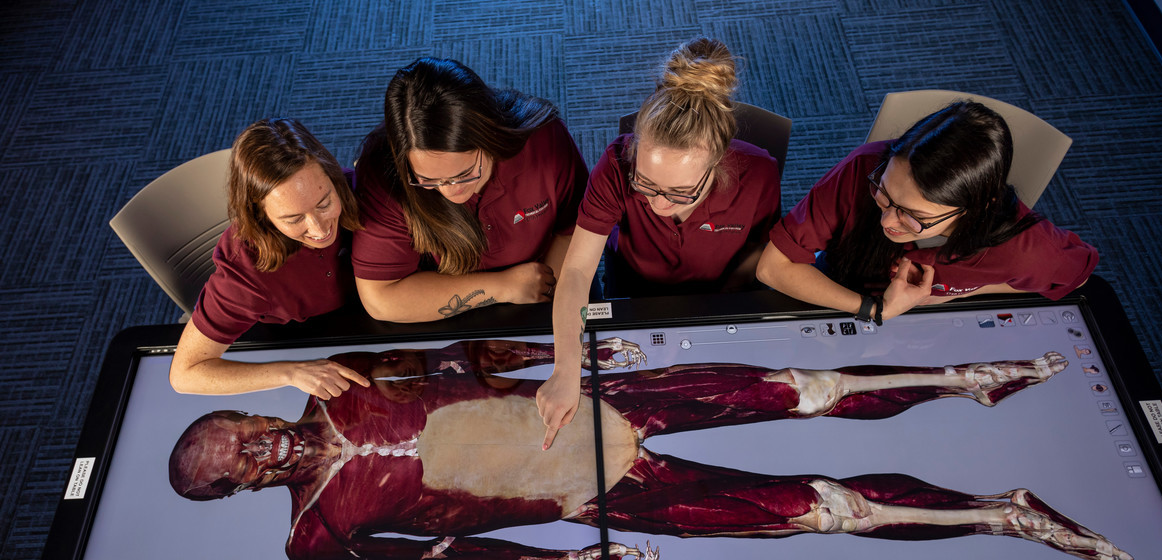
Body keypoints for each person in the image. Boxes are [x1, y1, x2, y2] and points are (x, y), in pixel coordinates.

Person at [168, 341, 1139, 560]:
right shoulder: (315, 535)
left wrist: (569, 358)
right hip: (590, 491)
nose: (256, 445)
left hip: (597, 403)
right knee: (823, 510)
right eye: (237, 461)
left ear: (254, 406)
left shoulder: (331, 381)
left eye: (242, 426)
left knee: (809, 384)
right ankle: (1006, 514)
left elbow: (454, 362)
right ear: (233, 491)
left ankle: (971, 375)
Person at [538, 38, 780, 438]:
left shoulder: (759, 172)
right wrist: (565, 368)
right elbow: (578, 270)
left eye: (681, 192)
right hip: (633, 291)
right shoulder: (617, 161)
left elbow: (758, 251)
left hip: (715, 299)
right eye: (646, 184)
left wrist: (719, 316)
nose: (658, 204)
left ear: (719, 162)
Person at [757, 101, 1097, 324]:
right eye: (884, 192)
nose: (886, 220)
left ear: (975, 210)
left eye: (912, 214)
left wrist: (963, 292)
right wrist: (876, 309)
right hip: (838, 295)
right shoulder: (864, 166)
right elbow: (774, 267)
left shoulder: (1026, 249)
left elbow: (1076, 277)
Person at [352, 57, 588, 322]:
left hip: (545, 286)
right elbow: (381, 299)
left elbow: (576, 230)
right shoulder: (384, 174)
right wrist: (503, 287)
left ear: (489, 136)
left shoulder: (543, 140)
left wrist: (545, 300)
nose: (450, 191)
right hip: (442, 308)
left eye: (464, 174)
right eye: (429, 180)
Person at [169, 118, 370, 399]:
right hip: (302, 340)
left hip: (374, 322)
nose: (320, 228)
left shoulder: (361, 191)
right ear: (261, 215)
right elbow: (185, 374)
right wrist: (291, 372)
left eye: (324, 203)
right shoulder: (245, 268)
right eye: (294, 218)